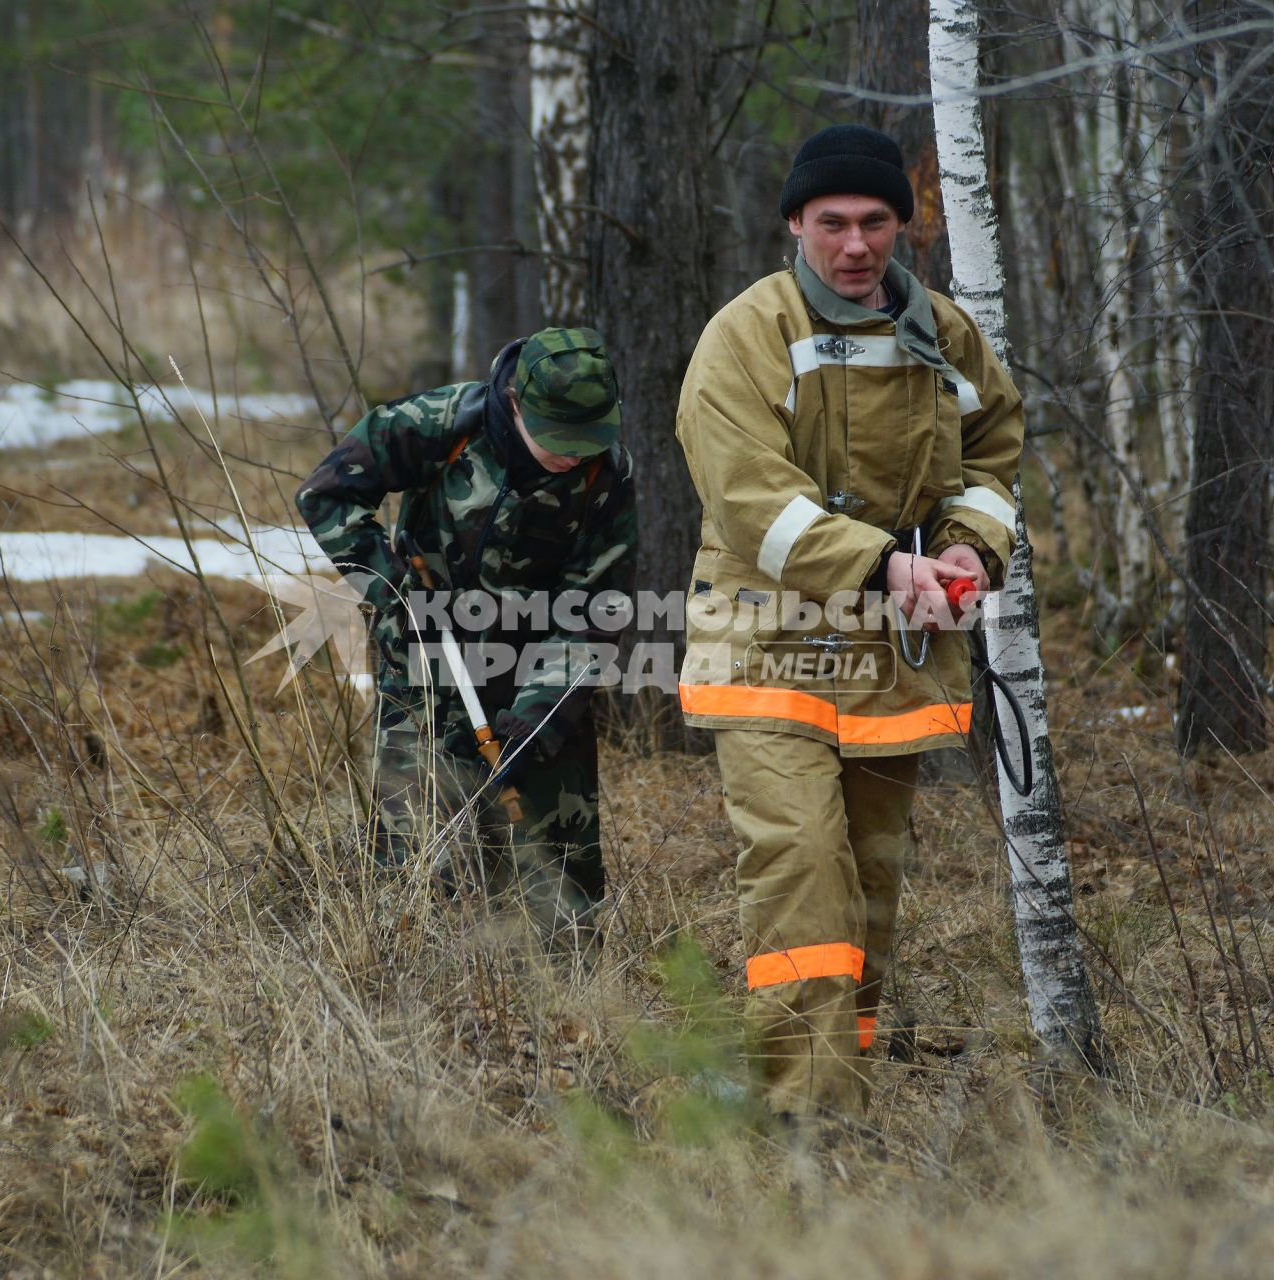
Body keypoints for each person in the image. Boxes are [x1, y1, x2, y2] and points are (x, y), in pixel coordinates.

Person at [675, 124, 1025, 1123]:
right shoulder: (746, 334)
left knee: (868, 885)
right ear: (794, 223)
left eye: (875, 221)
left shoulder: (945, 335)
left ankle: (841, 1093)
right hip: (766, 644)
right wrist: (881, 564)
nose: (855, 243)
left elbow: (995, 447)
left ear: (901, 227)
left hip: (893, 652)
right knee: (800, 867)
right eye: (831, 222)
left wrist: (967, 547)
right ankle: (799, 1112)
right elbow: (749, 498)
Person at [297, 328, 635, 943]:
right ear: (514, 404)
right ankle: (413, 976)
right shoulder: (439, 424)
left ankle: (565, 993)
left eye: (587, 440)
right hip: (426, 654)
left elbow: (594, 609)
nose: (572, 455)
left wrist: (536, 718)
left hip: (537, 662)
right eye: (558, 439)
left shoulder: (604, 474)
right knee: (417, 833)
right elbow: (326, 494)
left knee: (550, 841)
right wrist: (394, 591)